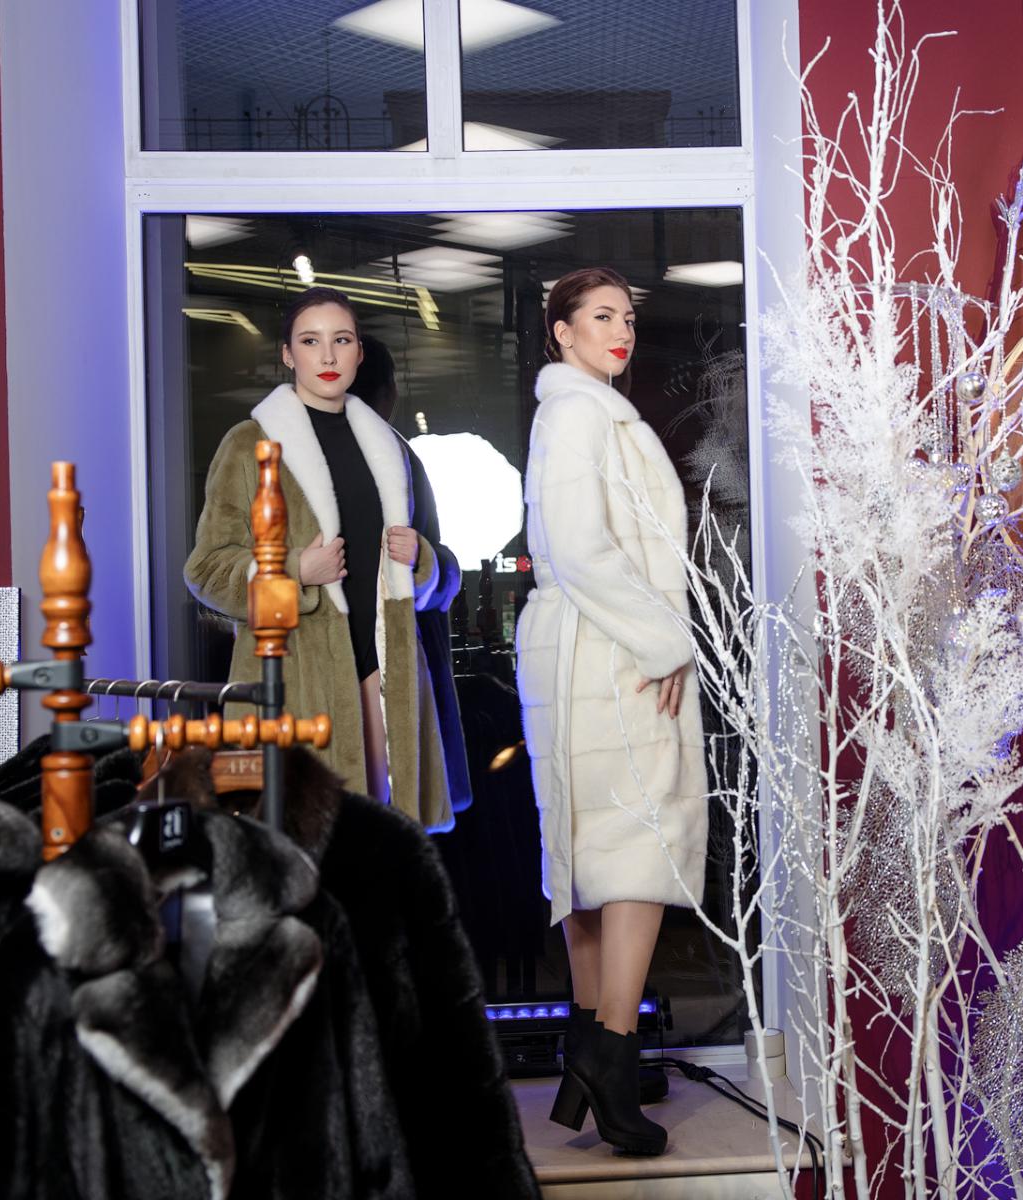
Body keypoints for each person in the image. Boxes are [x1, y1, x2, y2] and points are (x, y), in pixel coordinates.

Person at [516, 266, 704, 1156]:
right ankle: (611, 1053)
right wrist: (665, 639)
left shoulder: (582, 411)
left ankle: (593, 1047)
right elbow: (582, 549)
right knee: (638, 845)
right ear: (563, 331)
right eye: (601, 316)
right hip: (612, 647)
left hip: (591, 645)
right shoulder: (581, 414)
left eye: (627, 317)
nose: (621, 331)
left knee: (596, 851)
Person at [184, 285, 453, 830]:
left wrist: (423, 560)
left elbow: (438, 574)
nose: (328, 356)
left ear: (359, 352)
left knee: (382, 847)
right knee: (301, 844)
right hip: (295, 680)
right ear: (288, 354)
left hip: (383, 675)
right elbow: (207, 570)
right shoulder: (250, 444)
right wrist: (294, 572)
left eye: (342, 340)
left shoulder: (390, 449)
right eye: (310, 341)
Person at [350, 333, 474, 821]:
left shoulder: (330, 453)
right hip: (398, 662)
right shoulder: (390, 454)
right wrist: (438, 569)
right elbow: (414, 571)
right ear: (388, 391)